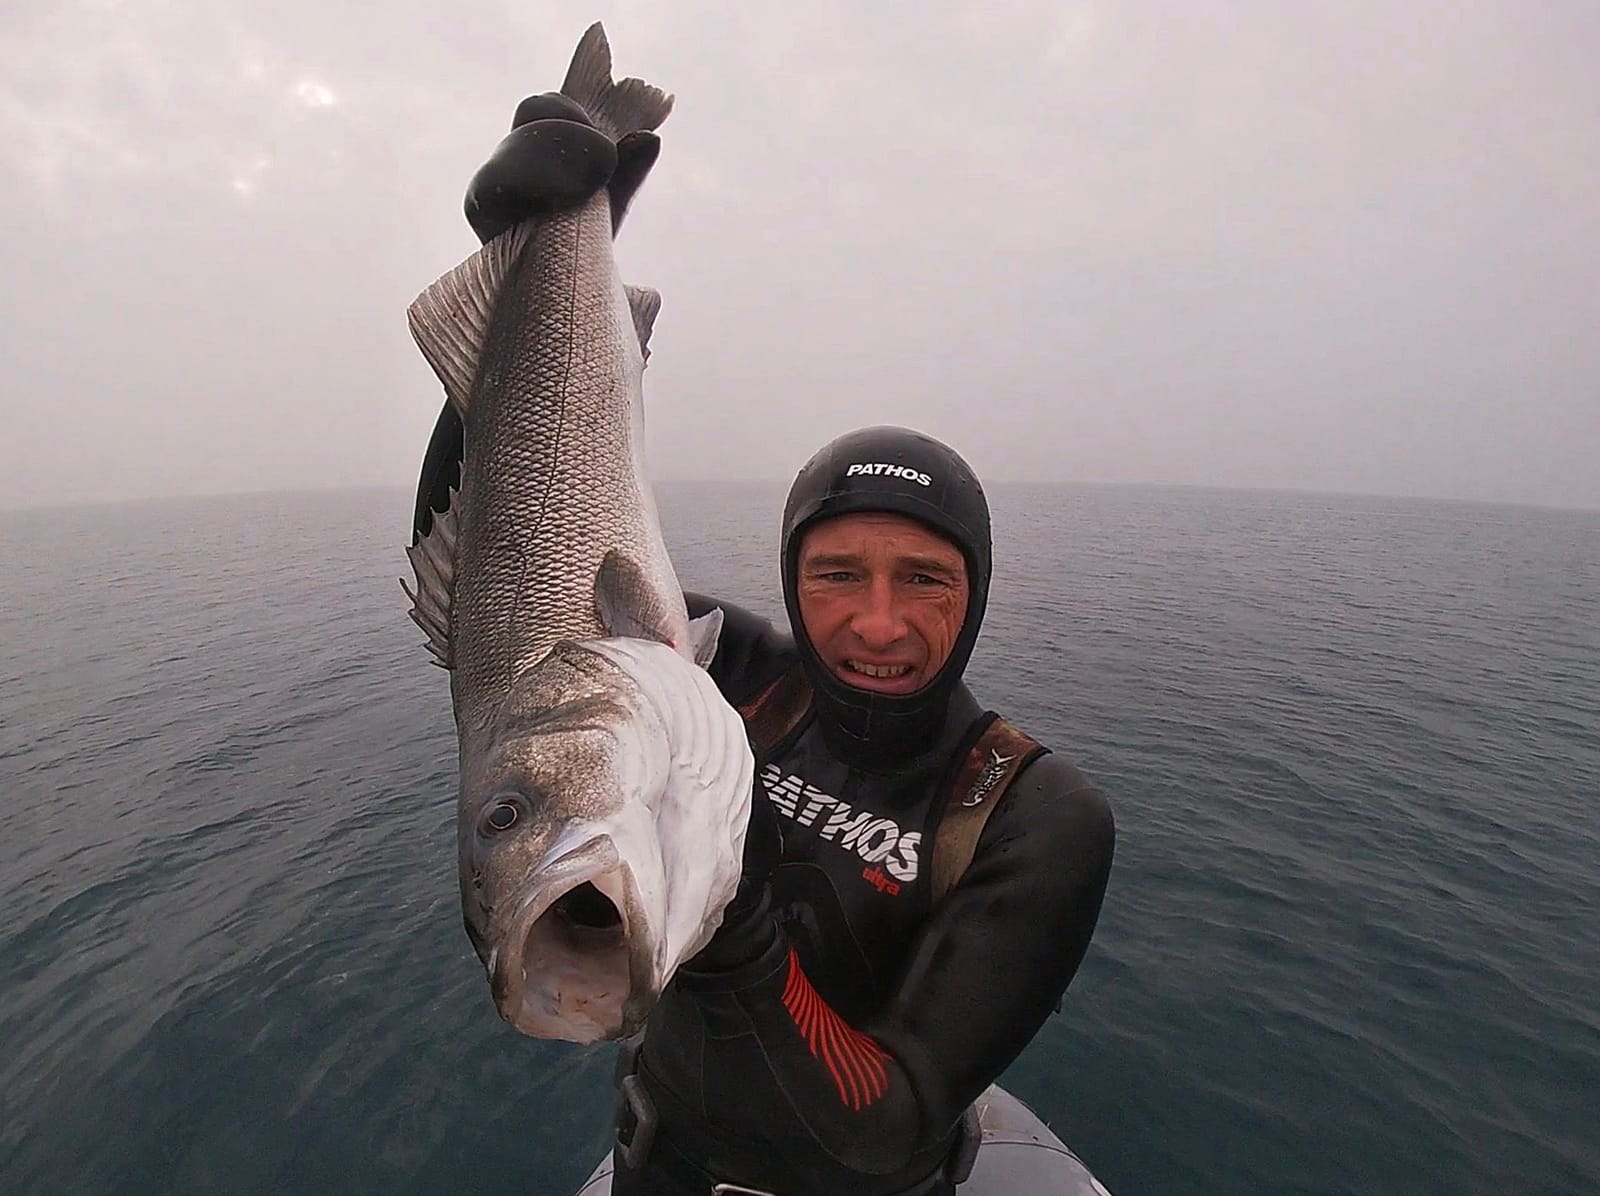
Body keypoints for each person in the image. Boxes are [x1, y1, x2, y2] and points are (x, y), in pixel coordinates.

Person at [415, 109, 1116, 1196]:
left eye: (924, 579)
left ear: (975, 592)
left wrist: (739, 930)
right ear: (790, 578)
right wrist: (530, 261)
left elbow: (887, 1122)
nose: (877, 622)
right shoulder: (726, 679)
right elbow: (507, 590)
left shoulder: (1031, 812)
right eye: (836, 575)